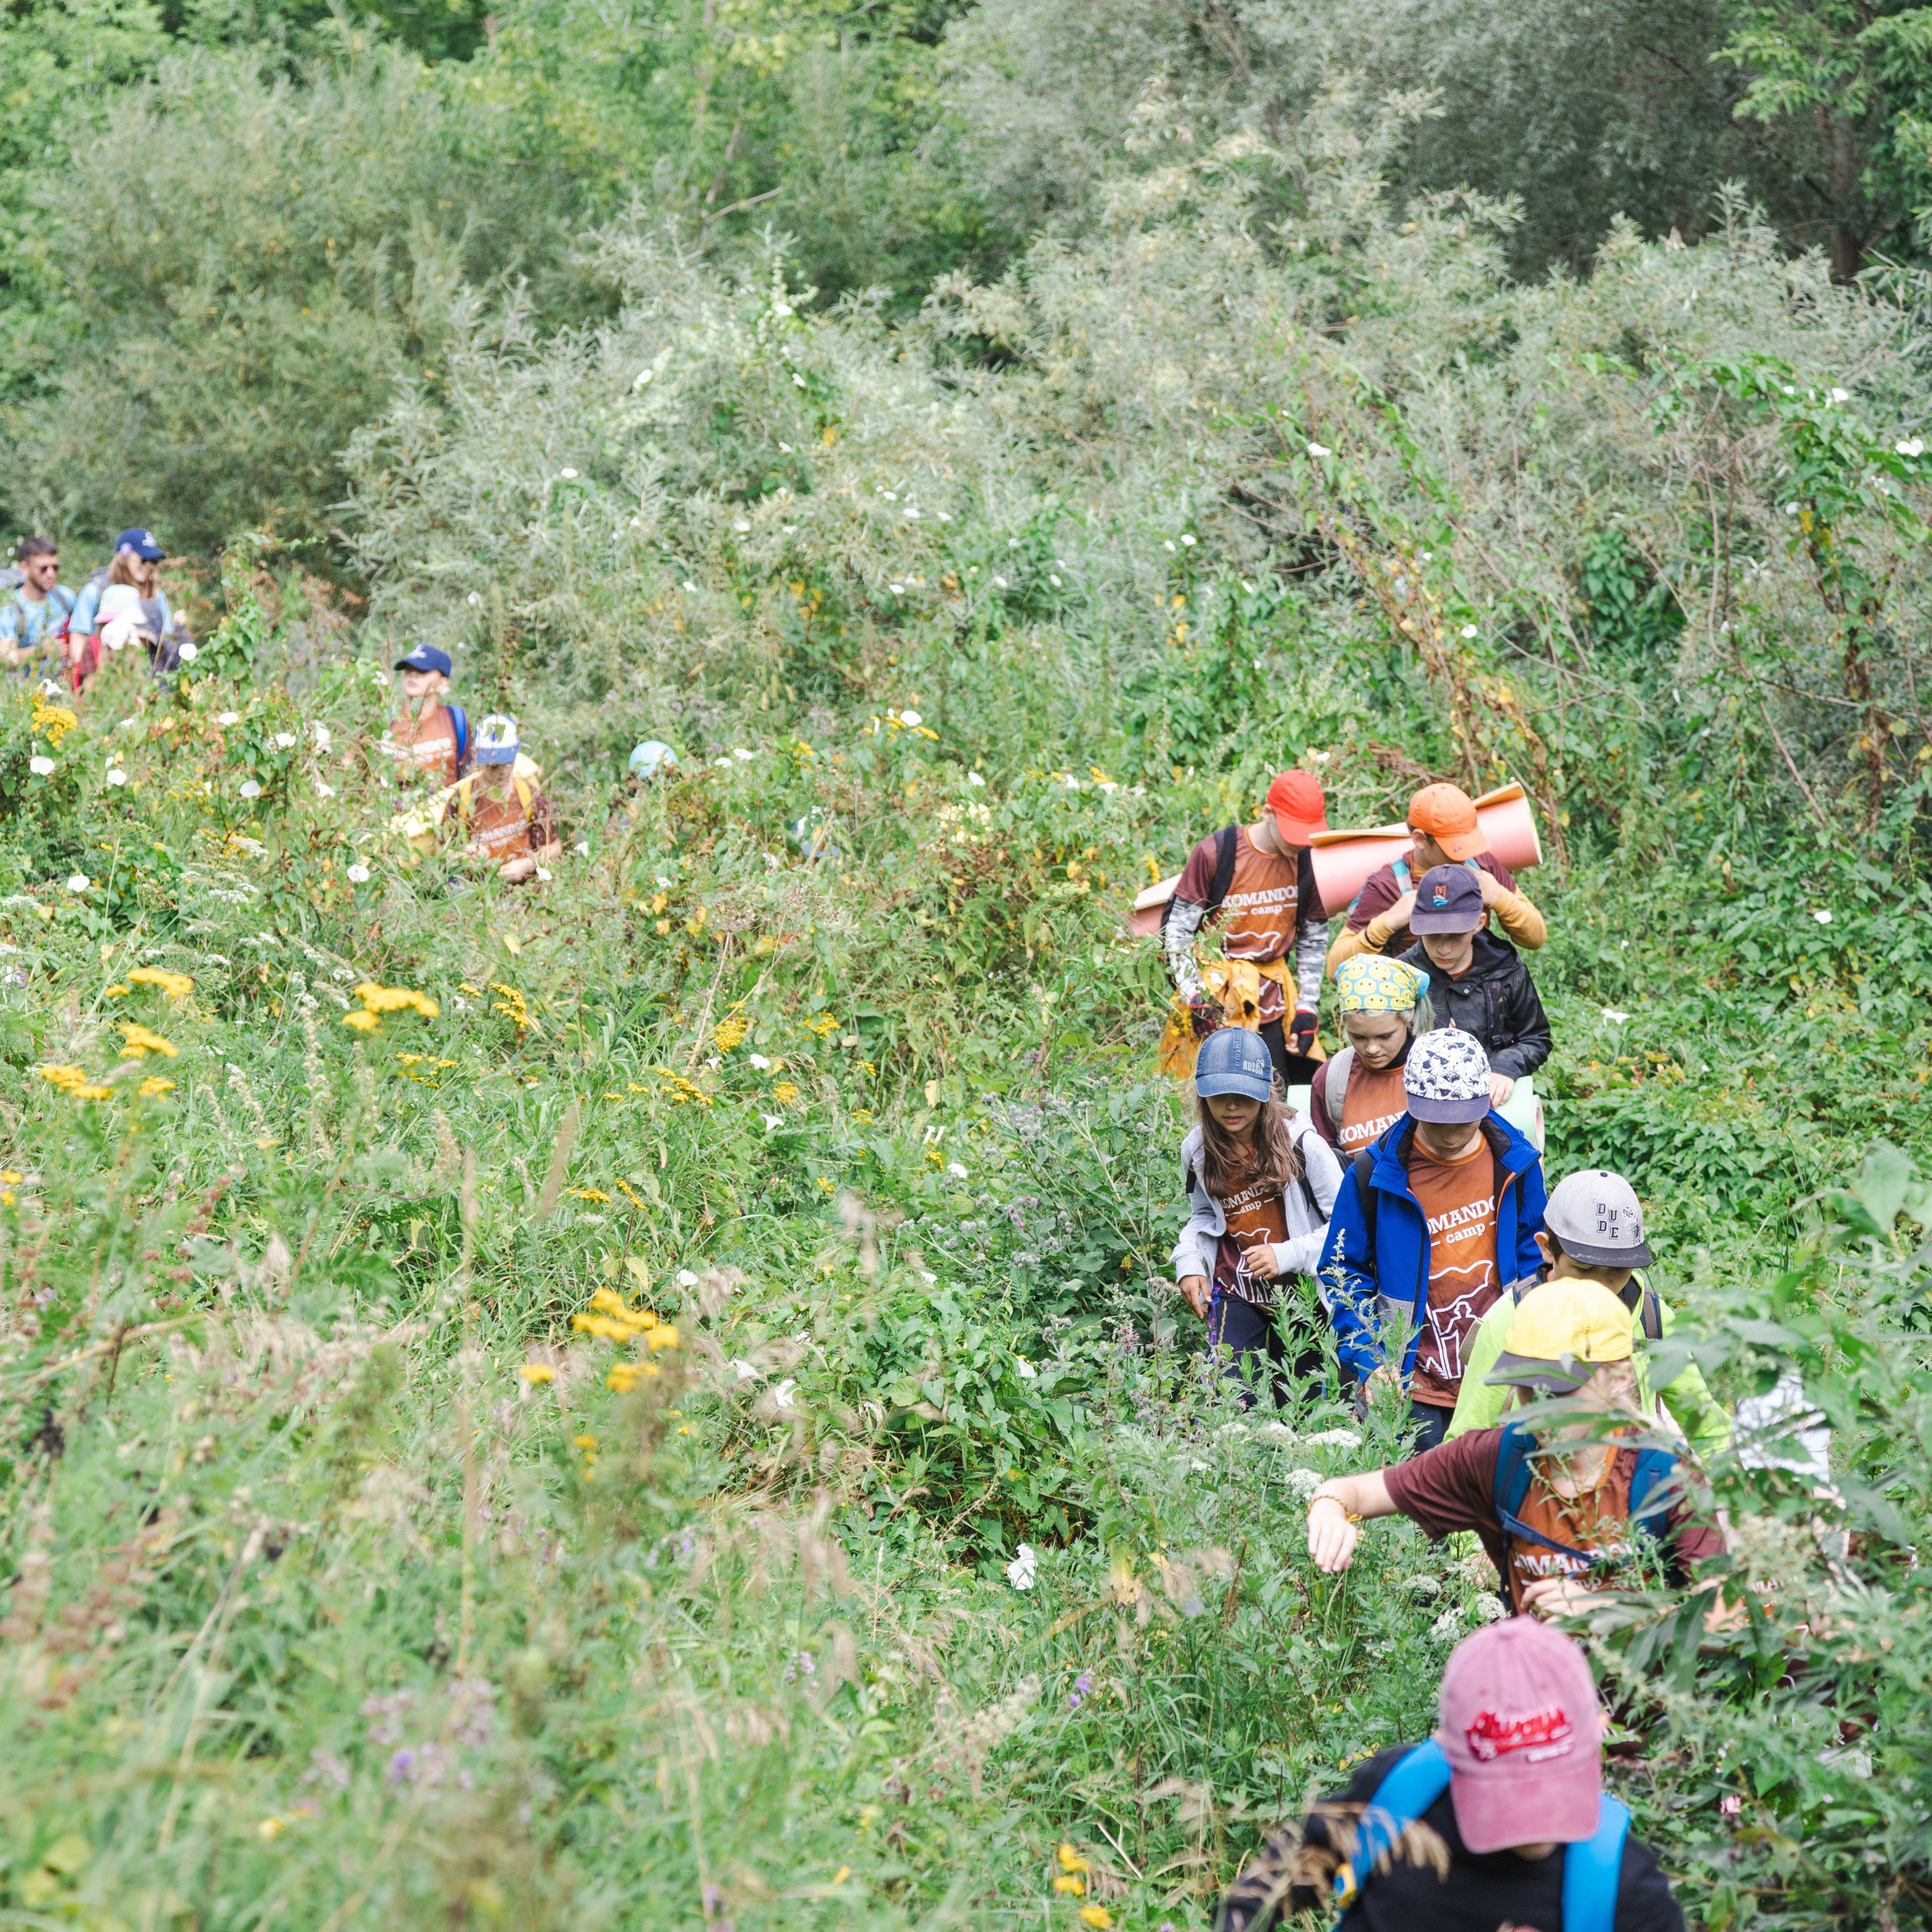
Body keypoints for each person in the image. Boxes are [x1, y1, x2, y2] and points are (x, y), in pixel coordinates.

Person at [1215, 1617, 1685, 1932]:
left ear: (1600, 1740)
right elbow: (1262, 1893)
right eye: (1508, 1796)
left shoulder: (1620, 1886)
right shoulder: (1394, 1798)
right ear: (1446, 1750)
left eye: (1551, 1788)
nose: (1536, 1827)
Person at [1306, 1279, 1728, 1618]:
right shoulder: (1497, 1459)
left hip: (1645, 1698)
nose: (1540, 1409)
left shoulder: (1665, 1477)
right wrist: (1329, 1508)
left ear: (1619, 1378)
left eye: (1559, 1389)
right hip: (1534, 1693)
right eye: (1528, 1387)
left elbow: (1727, 1620)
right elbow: (1355, 1493)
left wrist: (1615, 1614)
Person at [1318, 1029, 1546, 1452]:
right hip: (1411, 1382)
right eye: (1438, 1121)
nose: (1452, 1134)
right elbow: (1342, 1272)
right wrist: (1371, 1360)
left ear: (1485, 1102)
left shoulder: (1516, 1163)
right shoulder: (1373, 1174)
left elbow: (1537, 1258)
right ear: (1410, 1103)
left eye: (1464, 1119)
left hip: (1499, 1373)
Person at [1450, 1169, 1730, 1460]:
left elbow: (1706, 1425)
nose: (1600, 1286)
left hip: (1629, 1480)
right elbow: (1465, 1443)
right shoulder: (1509, 1320)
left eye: (1618, 1270)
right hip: (1535, 1479)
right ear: (1546, 1249)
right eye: (1584, 1268)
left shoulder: (1651, 1316)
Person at [1174, 1027, 1343, 1404]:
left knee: (1300, 1404)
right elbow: (1204, 1215)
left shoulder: (1303, 1145)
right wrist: (1189, 1261)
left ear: (1267, 1091)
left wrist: (1287, 1254)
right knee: (1227, 1399)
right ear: (1202, 1093)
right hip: (1239, 1290)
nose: (1232, 1106)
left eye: (1244, 1095)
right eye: (1220, 1095)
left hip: (1304, 1296)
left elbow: (1346, 1230)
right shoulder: (1197, 1150)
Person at [1163, 770, 1330, 1093]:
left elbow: (1313, 938)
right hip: (1218, 998)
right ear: (1268, 813)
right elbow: (1178, 934)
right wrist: (1196, 999)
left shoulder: (1307, 862)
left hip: (1274, 1004)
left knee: (1276, 1097)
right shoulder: (1218, 852)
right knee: (1210, 1096)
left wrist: (1307, 1006)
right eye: (1293, 833)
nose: (1299, 843)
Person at [1327, 781, 1546, 974]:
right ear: (1420, 839)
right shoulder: (1387, 886)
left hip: (1477, 997)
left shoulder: (1481, 864)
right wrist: (1387, 923)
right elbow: (1334, 969)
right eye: (1455, 847)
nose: (1465, 855)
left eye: (1469, 842)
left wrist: (1500, 898)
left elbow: (1536, 938)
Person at [1399, 863, 1551, 1126]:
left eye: (1455, 936)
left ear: (1479, 923)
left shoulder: (1505, 969)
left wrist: (1505, 1068)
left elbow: (1536, 1037)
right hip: (1418, 1110)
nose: (1443, 948)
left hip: (1491, 1105)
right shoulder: (1403, 974)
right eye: (1433, 936)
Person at [1309, 955, 1429, 1158]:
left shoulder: (1439, 1067)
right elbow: (1326, 1163)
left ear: (1409, 1014)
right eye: (1358, 1037)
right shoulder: (1331, 1079)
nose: (1372, 1049)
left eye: (1385, 1036)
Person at [445, 714, 561, 882]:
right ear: (475, 755)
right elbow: (442, 851)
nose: (502, 772)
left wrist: (527, 865)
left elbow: (554, 847)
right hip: (479, 892)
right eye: (493, 766)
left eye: (507, 763)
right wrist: (463, 855)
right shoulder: (461, 799)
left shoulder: (528, 795)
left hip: (524, 891)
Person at [68, 530, 189, 686]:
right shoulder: (95, 590)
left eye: (153, 561)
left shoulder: (157, 596)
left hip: (148, 681)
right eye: (143, 560)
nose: (148, 566)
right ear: (122, 557)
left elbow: (164, 642)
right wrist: (89, 681)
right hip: (102, 678)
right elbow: (78, 640)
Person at [384, 645, 470, 789]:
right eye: (408, 669)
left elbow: (469, 776)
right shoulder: (387, 720)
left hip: (447, 802)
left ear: (442, 684)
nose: (413, 674)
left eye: (422, 671)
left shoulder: (456, 720)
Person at [0, 538, 75, 678]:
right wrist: (41, 651)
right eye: (43, 569)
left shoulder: (65, 597)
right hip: (28, 687)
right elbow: (6, 658)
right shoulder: (11, 608)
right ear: (24, 568)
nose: (51, 574)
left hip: (63, 684)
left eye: (55, 567)